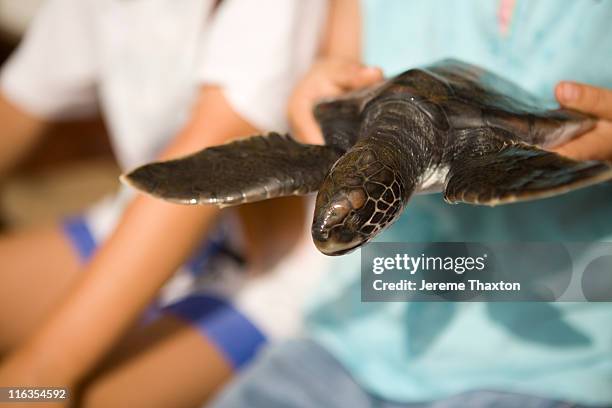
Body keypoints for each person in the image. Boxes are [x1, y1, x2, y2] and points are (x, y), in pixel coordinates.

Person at [211, 0, 612, 407]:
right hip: (355, 331)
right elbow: (338, 64)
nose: (334, 236)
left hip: (539, 366)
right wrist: (320, 87)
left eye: (356, 219)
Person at [0, 0, 333, 406]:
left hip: (276, 276)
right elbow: (19, 102)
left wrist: (41, 372)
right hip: (137, 224)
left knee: (81, 397)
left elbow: (208, 157)